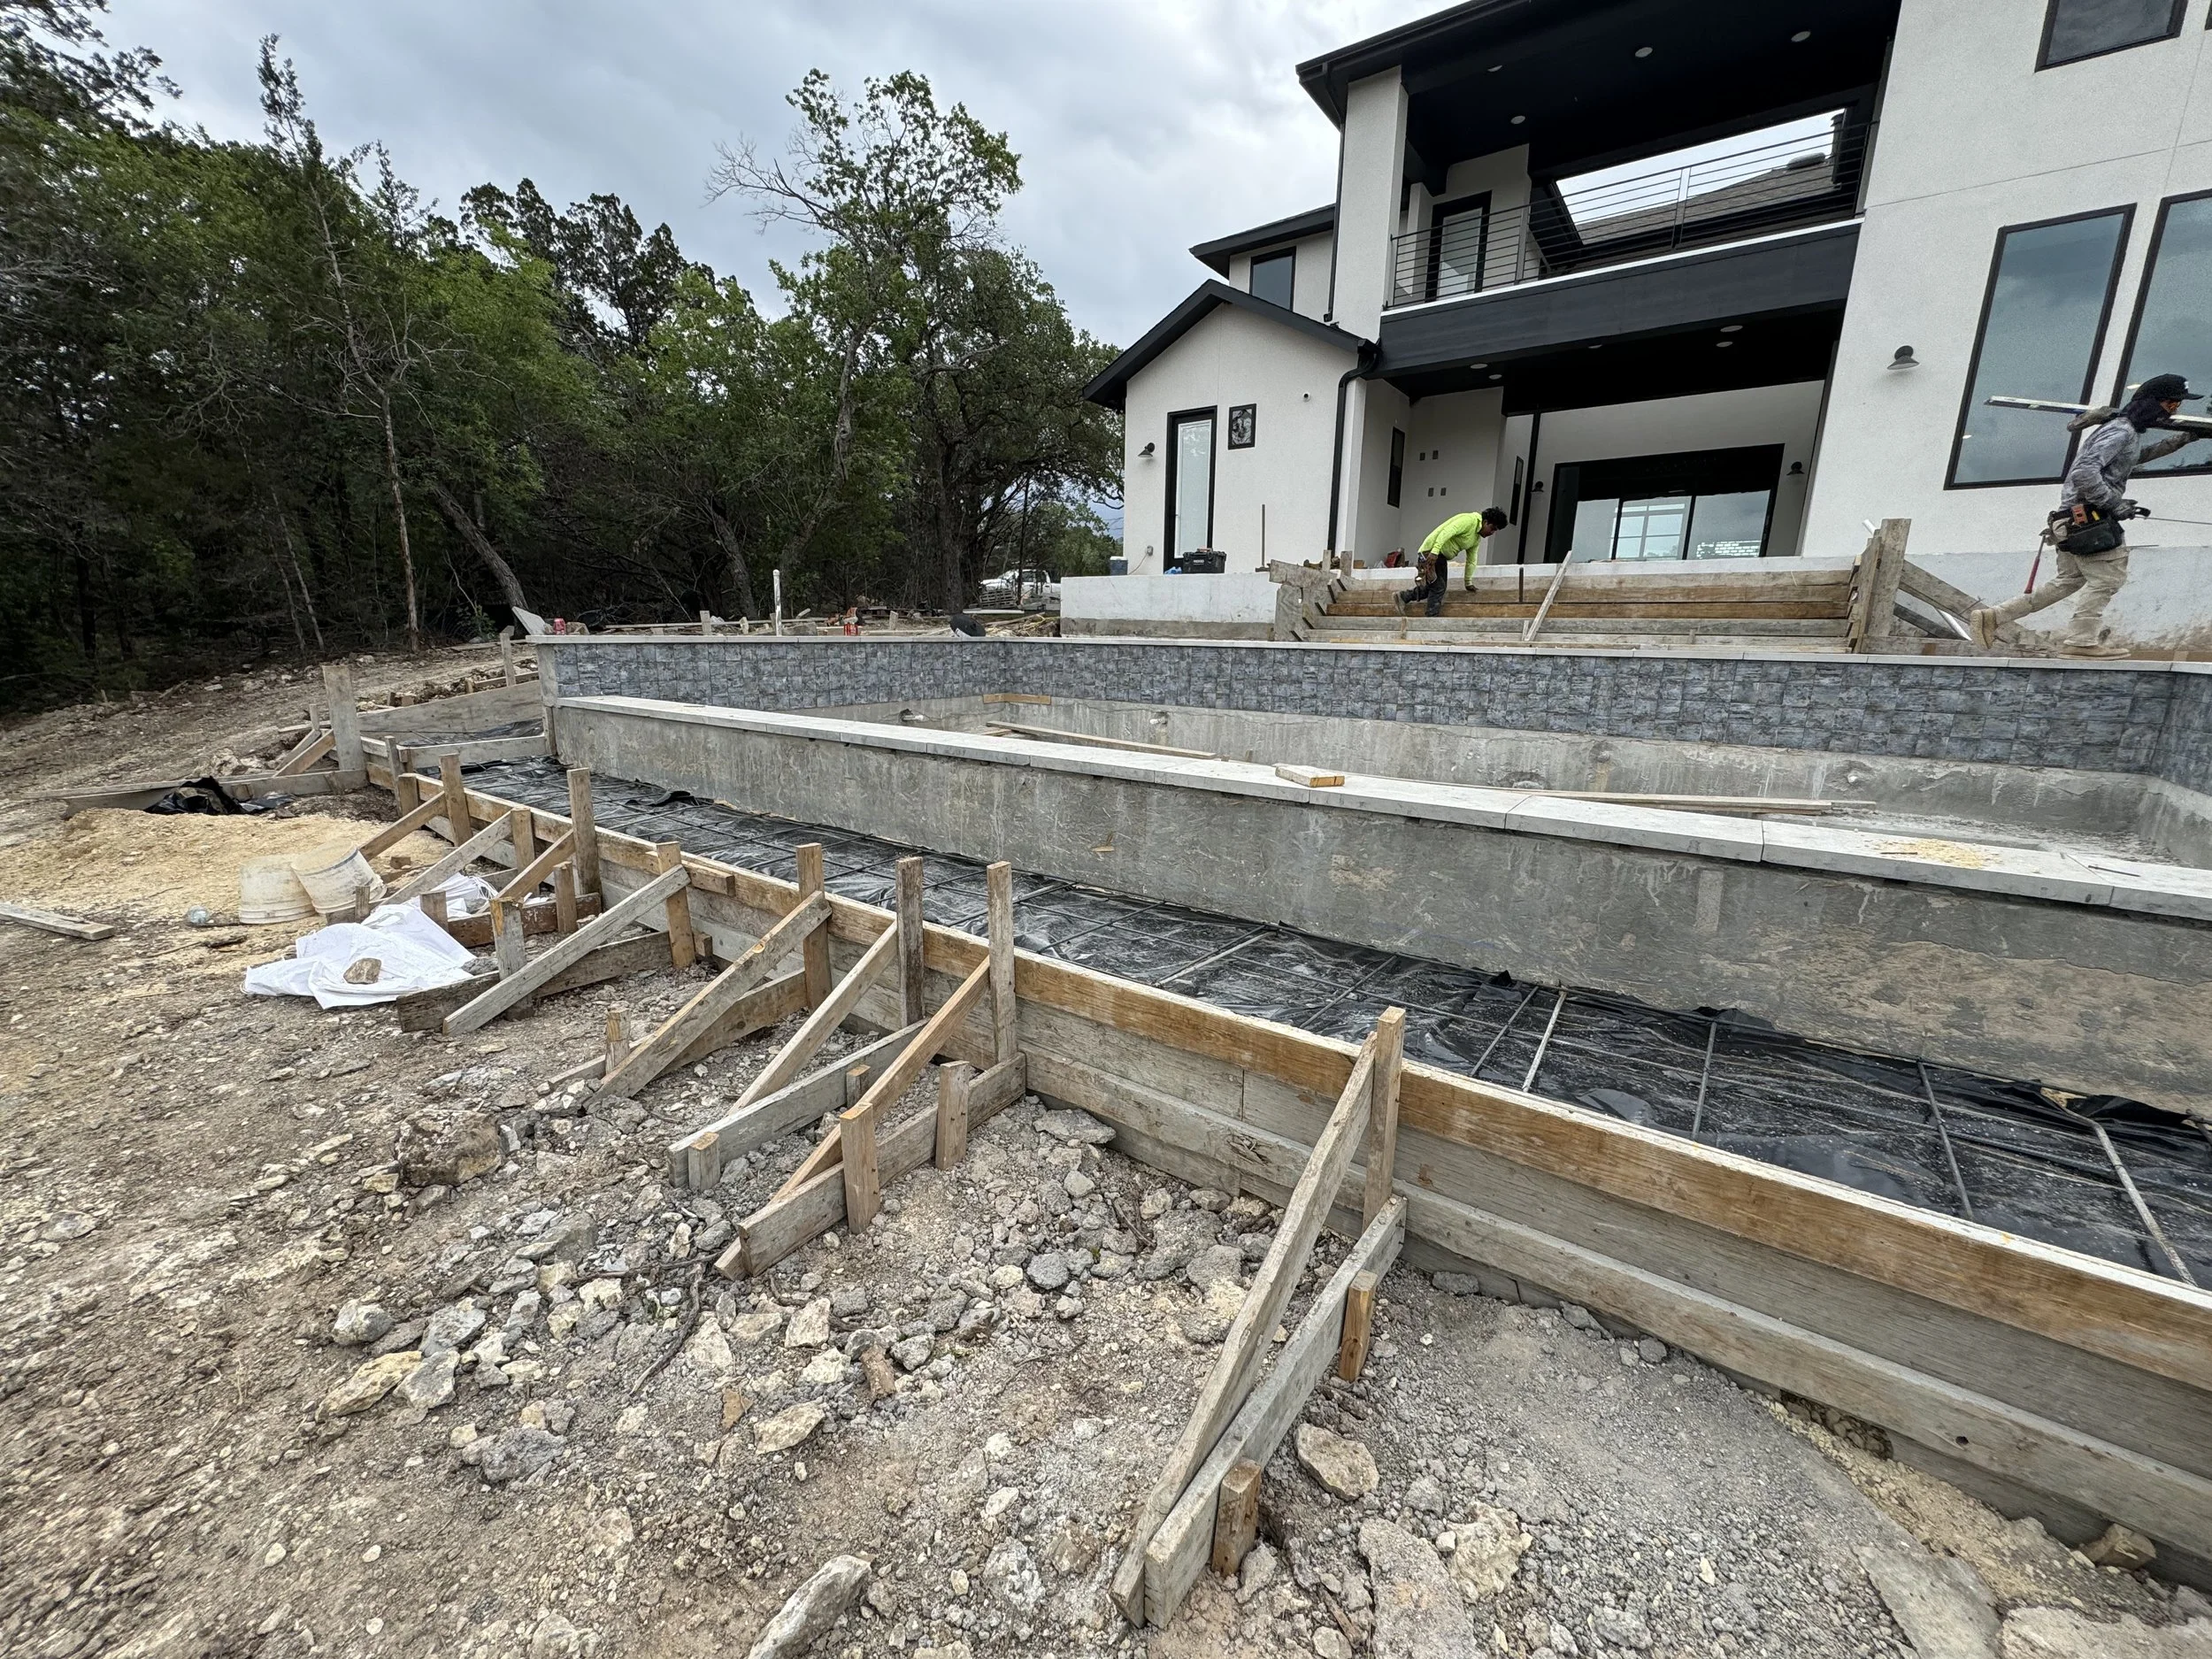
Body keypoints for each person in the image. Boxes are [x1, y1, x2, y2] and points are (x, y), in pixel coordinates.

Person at [1972, 373, 2206, 657]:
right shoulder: (2120, 431)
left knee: (2068, 581)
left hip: (2072, 520)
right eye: (2172, 404)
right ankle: (2080, 642)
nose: (2175, 410)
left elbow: (2135, 458)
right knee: (2108, 579)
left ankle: (1993, 617)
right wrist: (2113, 504)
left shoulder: (2123, 432)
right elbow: (2084, 473)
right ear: (2153, 403)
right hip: (2090, 520)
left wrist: (2184, 438)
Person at [1397, 506, 1509, 615]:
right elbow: (1447, 532)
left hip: (1440, 557)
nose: (1492, 533)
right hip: (1430, 553)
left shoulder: (1476, 539)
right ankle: (1430, 618)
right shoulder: (1469, 521)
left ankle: (1403, 597)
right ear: (1485, 522)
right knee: (1438, 587)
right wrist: (1435, 551)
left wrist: (1468, 582)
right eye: (1492, 529)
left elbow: (1471, 560)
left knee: (1434, 588)